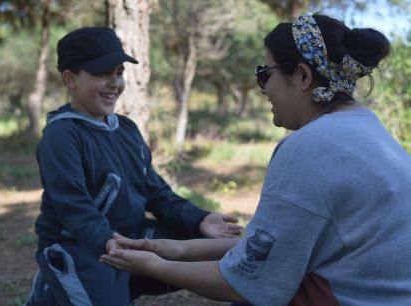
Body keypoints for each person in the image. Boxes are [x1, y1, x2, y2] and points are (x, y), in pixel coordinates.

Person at [101, 13, 411, 306]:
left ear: (302, 76)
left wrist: (155, 266)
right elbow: (273, 248)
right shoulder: (368, 128)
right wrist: (176, 249)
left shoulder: (311, 147)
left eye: (265, 73)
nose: (262, 87)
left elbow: (246, 283)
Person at [25, 26, 243, 306]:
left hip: (130, 237)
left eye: (118, 72)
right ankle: (56, 283)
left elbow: (156, 192)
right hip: (80, 245)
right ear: (70, 79)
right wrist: (107, 242)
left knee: (224, 256)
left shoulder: (126, 129)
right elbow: (74, 208)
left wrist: (199, 219)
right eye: (102, 73)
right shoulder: (62, 136)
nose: (114, 83)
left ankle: (113, 285)